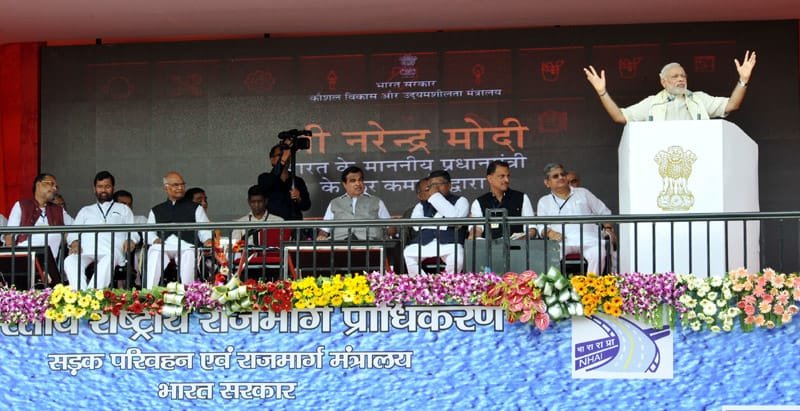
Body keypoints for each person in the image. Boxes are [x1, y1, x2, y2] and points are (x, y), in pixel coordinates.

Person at [583, 50, 757, 123]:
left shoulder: (699, 98)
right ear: (663, 82)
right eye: (675, 76)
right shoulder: (653, 103)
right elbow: (620, 117)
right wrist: (602, 92)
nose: (681, 79)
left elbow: (732, 105)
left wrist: (743, 80)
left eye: (683, 76)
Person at [64, 171, 137, 290]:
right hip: (86, 250)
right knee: (70, 260)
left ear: (113, 188)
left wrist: (131, 240)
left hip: (112, 251)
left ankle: (93, 295)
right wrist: (74, 242)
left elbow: (133, 232)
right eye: (100, 187)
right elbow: (73, 232)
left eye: (107, 186)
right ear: (94, 189)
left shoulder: (123, 209)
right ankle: (80, 294)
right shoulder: (85, 210)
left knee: (108, 258)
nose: (103, 190)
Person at [536, 163, 611, 274]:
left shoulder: (583, 193)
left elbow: (603, 212)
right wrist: (550, 233)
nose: (561, 177)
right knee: (548, 257)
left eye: (563, 174)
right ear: (547, 183)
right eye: (555, 176)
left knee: (598, 254)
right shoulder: (544, 201)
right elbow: (541, 225)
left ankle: (592, 288)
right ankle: (556, 290)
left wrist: (609, 229)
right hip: (561, 242)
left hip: (588, 240)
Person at [145, 171, 212, 288]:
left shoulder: (196, 208)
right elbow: (149, 232)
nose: (180, 188)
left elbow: (204, 229)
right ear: (166, 188)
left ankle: (188, 293)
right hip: (163, 245)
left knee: (190, 254)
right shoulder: (156, 210)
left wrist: (207, 239)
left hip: (186, 245)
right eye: (176, 185)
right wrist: (154, 240)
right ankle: (149, 293)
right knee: (155, 252)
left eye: (182, 184)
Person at [403, 170, 470, 275]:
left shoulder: (461, 201)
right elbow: (416, 225)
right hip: (425, 242)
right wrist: (443, 223)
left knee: (457, 257)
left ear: (449, 185)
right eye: (432, 185)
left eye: (438, 184)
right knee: (408, 254)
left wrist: (435, 197)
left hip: (449, 243)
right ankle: (423, 282)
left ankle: (447, 282)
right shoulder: (422, 204)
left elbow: (455, 219)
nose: (435, 189)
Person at [3, 173, 73, 259]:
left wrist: (73, 242)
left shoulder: (58, 210)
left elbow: (75, 227)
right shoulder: (21, 205)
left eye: (56, 187)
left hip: (49, 258)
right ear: (38, 185)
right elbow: (10, 235)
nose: (54, 189)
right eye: (51, 184)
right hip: (24, 254)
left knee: (54, 234)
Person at [317, 166, 393, 241]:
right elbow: (324, 230)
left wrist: (388, 236)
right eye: (353, 181)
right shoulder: (334, 203)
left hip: (371, 246)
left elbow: (390, 228)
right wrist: (322, 236)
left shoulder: (377, 202)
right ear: (344, 184)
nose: (358, 183)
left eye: (360, 180)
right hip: (341, 246)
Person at [469, 160, 537, 239]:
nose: (507, 180)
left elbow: (532, 229)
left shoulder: (522, 197)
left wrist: (520, 240)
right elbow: (477, 230)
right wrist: (474, 236)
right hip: (490, 249)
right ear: (490, 178)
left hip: (517, 248)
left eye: (508, 176)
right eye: (502, 176)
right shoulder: (479, 202)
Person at [257, 143, 311, 224]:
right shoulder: (264, 178)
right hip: (272, 225)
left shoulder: (297, 181)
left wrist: (299, 198)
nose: (284, 157)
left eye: (286, 155)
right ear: (272, 159)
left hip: (294, 226)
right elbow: (268, 184)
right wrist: (282, 161)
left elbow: (306, 206)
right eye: (280, 155)